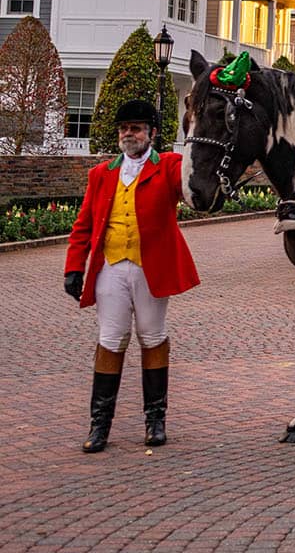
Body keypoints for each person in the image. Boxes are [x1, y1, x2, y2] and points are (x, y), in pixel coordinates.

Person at [64, 99, 200, 452]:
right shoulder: (102, 174)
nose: (129, 134)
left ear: (151, 133)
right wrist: (74, 267)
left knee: (152, 335)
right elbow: (83, 226)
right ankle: (99, 426)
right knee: (110, 338)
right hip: (110, 266)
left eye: (136, 128)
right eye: (125, 128)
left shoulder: (168, 166)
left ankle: (155, 421)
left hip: (149, 266)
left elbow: (190, 184)